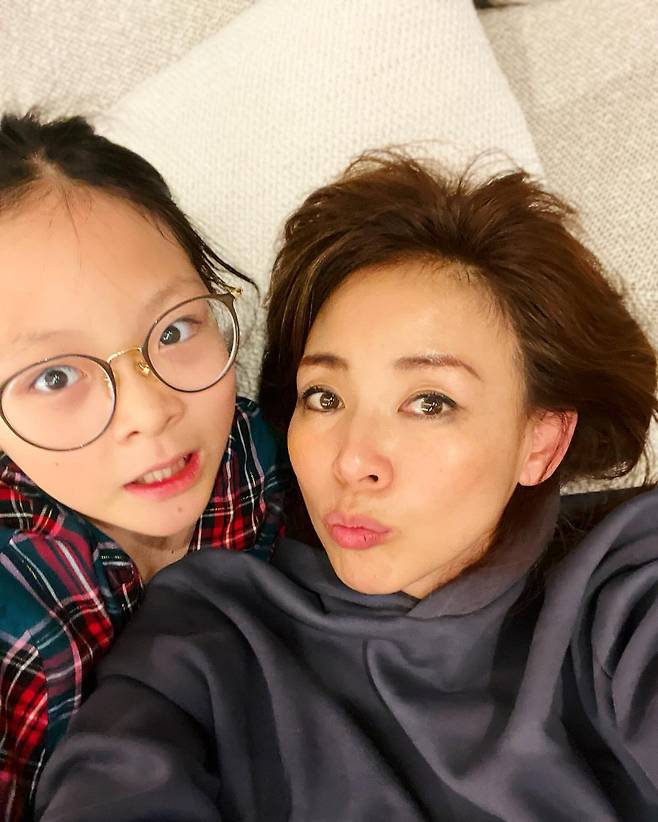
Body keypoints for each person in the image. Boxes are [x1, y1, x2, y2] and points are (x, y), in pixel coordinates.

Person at [36, 153, 658, 821]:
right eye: (325, 397)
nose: (353, 461)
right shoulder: (205, 638)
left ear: (541, 442)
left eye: (429, 403)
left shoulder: (625, 589)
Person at [0, 111, 289, 821]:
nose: (151, 412)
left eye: (175, 329)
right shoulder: (18, 621)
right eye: (55, 377)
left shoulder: (261, 454)